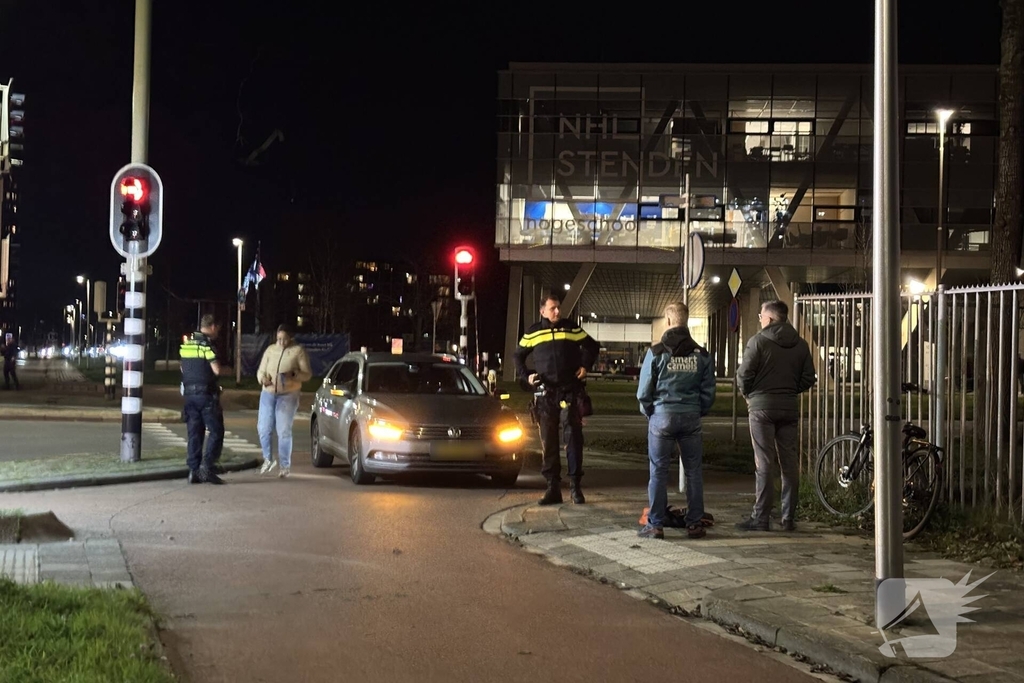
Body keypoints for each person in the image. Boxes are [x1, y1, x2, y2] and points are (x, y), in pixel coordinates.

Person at [636, 303, 716, 539]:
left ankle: (656, 525)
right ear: (687, 321)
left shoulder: (656, 352)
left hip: (662, 417)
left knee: (658, 471)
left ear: (669, 321)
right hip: (691, 417)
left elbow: (643, 391)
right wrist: (698, 410)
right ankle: (694, 524)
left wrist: (649, 411)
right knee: (693, 472)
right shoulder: (701, 354)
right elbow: (709, 392)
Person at [735, 300, 816, 531]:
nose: (760, 319)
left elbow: (743, 376)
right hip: (789, 408)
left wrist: (750, 395)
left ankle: (761, 518)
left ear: (769, 319)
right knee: (789, 464)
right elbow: (809, 377)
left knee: (764, 463)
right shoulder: (801, 345)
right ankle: (788, 518)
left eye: (761, 315)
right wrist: (790, 391)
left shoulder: (758, 342)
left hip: (761, 408)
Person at [514, 291, 600, 505]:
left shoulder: (571, 328)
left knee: (573, 440)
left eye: (559, 307)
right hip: (545, 395)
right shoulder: (533, 332)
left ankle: (575, 488)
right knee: (549, 443)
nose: (557, 311)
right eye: (553, 308)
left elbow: (592, 345)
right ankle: (553, 488)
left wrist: (585, 366)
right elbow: (517, 356)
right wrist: (527, 377)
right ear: (542, 310)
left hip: (570, 391)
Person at [255, 324, 312, 478]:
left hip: (288, 394)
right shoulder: (270, 350)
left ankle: (284, 465)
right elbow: (260, 370)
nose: (280, 342)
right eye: (278, 338)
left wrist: (293, 375)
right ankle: (268, 459)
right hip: (268, 393)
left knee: (283, 431)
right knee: (263, 428)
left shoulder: (298, 351)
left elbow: (307, 374)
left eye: (284, 339)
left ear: (290, 338)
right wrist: (263, 379)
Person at [179, 314, 227, 485]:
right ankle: (207, 467)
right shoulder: (207, 345)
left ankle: (193, 470)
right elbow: (216, 370)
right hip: (206, 395)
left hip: (189, 396)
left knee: (194, 433)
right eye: (218, 329)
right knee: (216, 431)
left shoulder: (187, 344)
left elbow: (183, 368)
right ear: (213, 327)